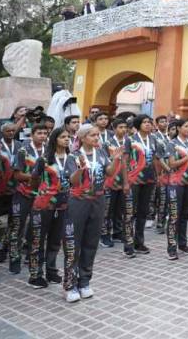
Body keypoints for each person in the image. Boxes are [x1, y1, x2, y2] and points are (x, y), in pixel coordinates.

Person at [67, 125, 114, 302]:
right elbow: (73, 181)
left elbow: (108, 172)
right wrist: (80, 169)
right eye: (93, 135)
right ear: (83, 137)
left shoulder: (101, 153)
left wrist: (116, 160)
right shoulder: (74, 156)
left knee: (91, 241)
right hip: (79, 201)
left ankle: (84, 281)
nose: (97, 138)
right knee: (74, 242)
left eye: (98, 135)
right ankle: (70, 285)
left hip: (98, 199)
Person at [27, 127, 75, 289]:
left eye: (68, 137)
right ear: (55, 139)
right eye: (63, 137)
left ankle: (51, 270)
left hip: (65, 205)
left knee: (55, 240)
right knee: (37, 240)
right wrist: (40, 193)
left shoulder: (72, 158)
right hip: (44, 205)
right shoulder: (44, 159)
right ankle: (35, 274)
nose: (67, 139)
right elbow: (34, 178)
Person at [7, 123, 48, 274]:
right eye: (39, 133)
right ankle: (14, 258)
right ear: (32, 135)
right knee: (17, 227)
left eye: (45, 133)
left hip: (42, 196)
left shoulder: (48, 151)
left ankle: (32, 256)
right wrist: (35, 177)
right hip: (23, 194)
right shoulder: (23, 151)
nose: (42, 136)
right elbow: (16, 175)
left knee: (36, 227)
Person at [0, 123, 21, 259]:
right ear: (2, 132)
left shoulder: (19, 145)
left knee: (13, 213)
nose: (11, 133)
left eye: (13, 130)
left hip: (14, 183)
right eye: (8, 131)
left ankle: (10, 236)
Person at [164, 119, 188, 259]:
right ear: (178, 128)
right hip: (176, 182)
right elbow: (171, 164)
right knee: (174, 216)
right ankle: (171, 247)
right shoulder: (172, 144)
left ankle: (182, 243)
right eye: (185, 126)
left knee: (184, 215)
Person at [126, 115, 160, 254]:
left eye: (149, 122)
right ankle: (128, 244)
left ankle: (139, 242)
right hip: (134, 180)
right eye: (145, 122)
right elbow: (125, 160)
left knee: (143, 211)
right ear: (138, 124)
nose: (148, 124)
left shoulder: (153, 139)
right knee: (130, 212)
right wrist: (125, 180)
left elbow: (156, 159)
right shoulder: (131, 139)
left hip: (149, 179)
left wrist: (158, 176)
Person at [100, 118, 131, 252]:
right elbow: (106, 163)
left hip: (122, 177)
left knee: (119, 209)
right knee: (107, 210)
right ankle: (104, 235)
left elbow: (126, 162)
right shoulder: (107, 143)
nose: (123, 130)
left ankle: (117, 232)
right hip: (110, 178)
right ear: (114, 129)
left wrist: (125, 181)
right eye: (120, 127)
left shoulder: (127, 141)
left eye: (125, 127)